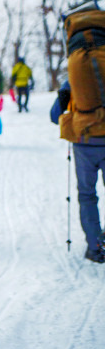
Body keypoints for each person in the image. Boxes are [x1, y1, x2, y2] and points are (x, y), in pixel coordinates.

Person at [51, 82, 105, 263]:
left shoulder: (75, 76)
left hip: (84, 144)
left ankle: (95, 247)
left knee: (87, 194)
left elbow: (54, 115)